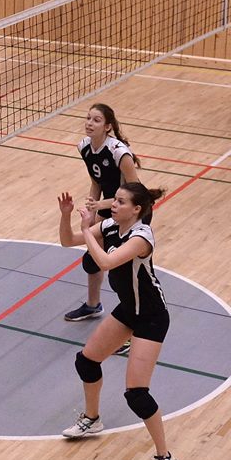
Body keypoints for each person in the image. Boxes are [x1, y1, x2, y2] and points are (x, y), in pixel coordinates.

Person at [57, 183, 177, 460]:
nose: (113, 204)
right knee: (86, 361)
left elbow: (107, 262)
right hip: (128, 310)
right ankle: (92, 419)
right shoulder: (110, 226)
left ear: (136, 210)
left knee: (137, 393)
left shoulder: (141, 237)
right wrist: (67, 216)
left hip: (151, 316)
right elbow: (67, 241)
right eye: (115, 200)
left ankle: (165, 458)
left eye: (121, 202)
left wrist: (86, 229)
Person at [64, 104, 141, 330]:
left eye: (96, 120)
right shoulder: (84, 147)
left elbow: (137, 192)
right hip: (110, 208)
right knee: (93, 260)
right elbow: (96, 180)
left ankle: (134, 324)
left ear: (107, 127)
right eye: (88, 118)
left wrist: (103, 205)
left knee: (122, 270)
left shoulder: (119, 152)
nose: (89, 123)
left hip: (132, 211)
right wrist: (92, 209)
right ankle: (93, 305)